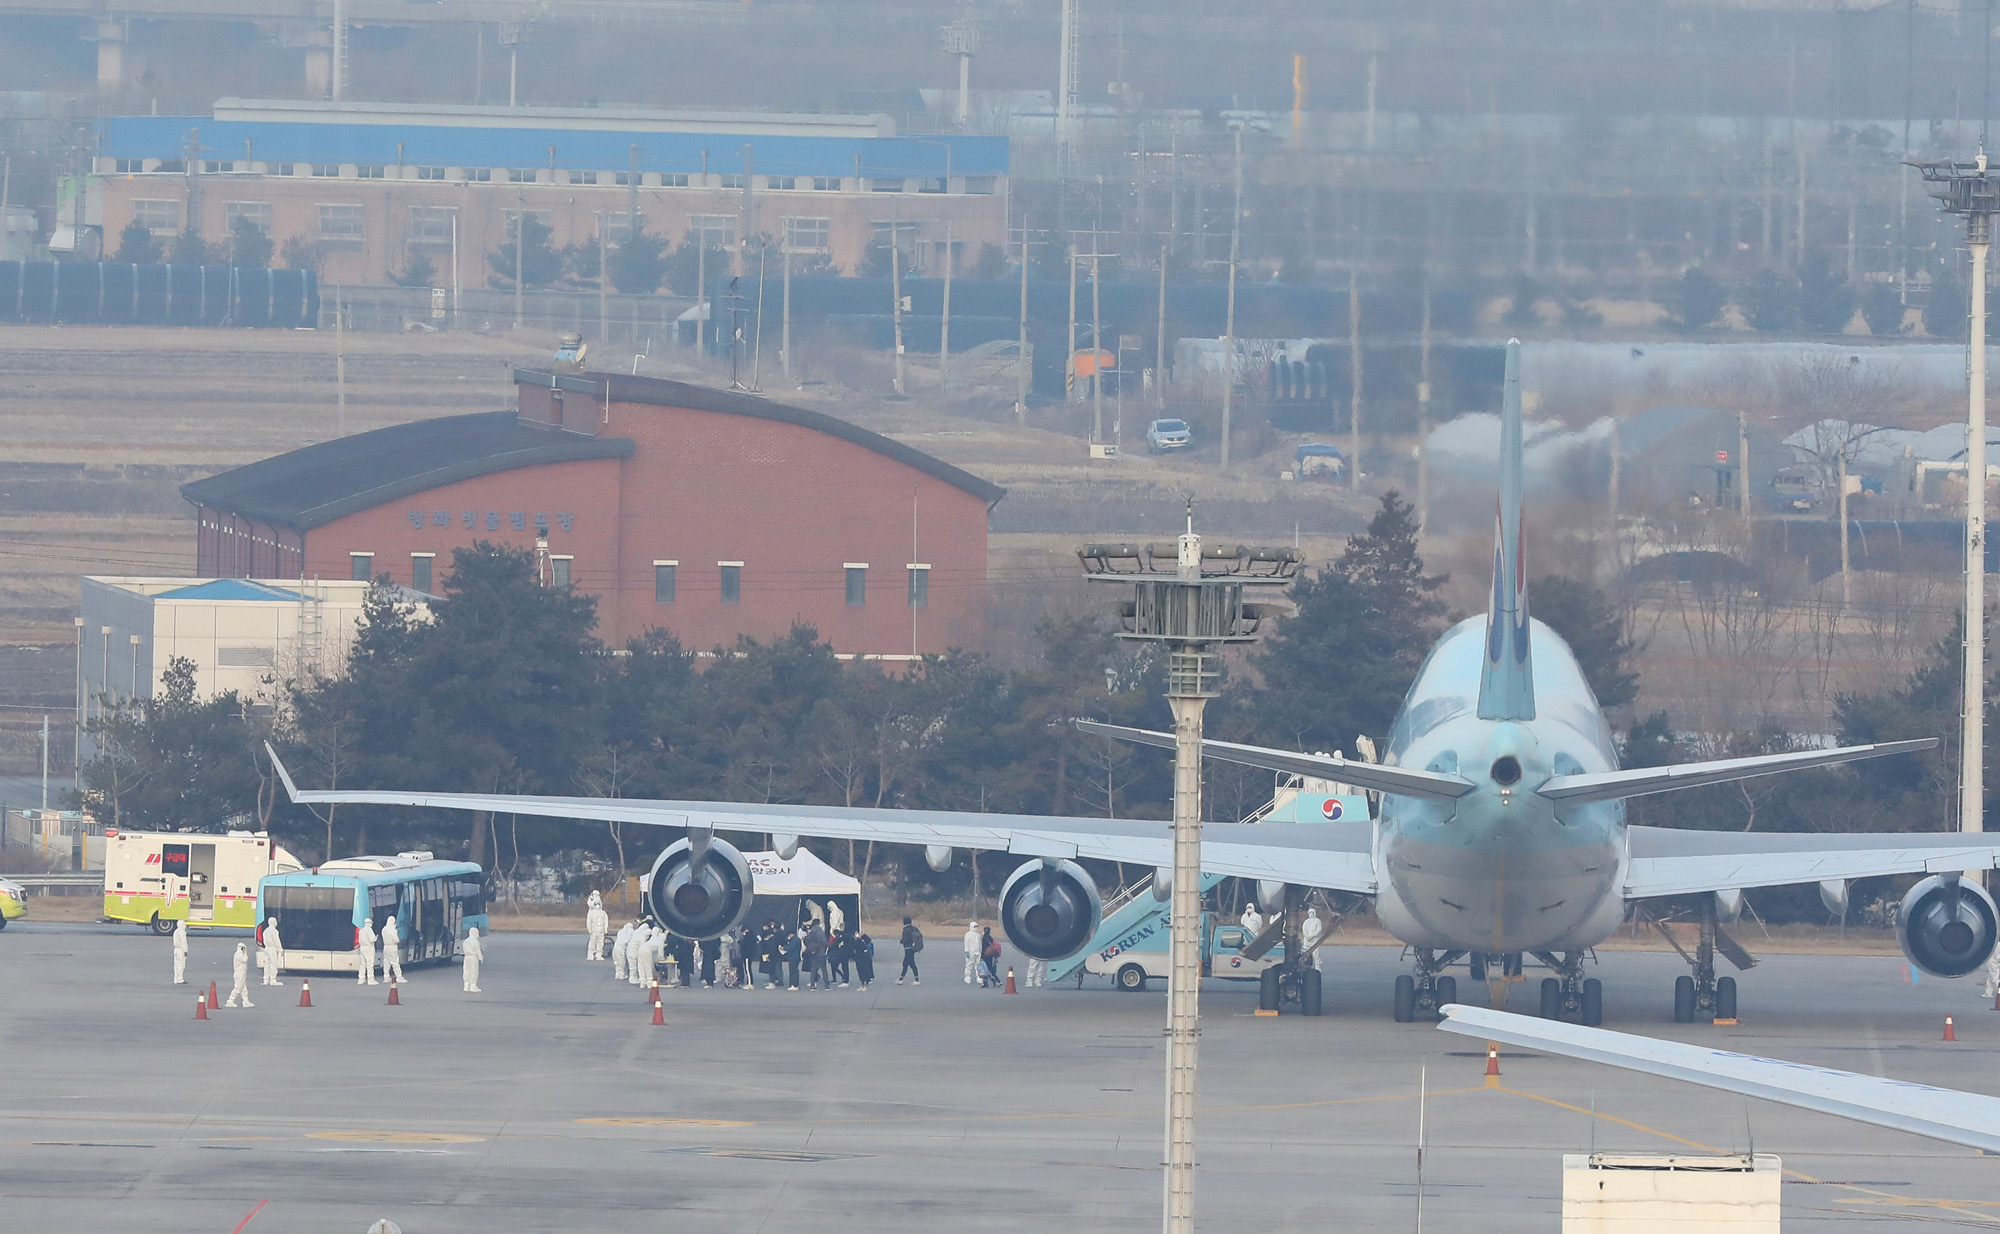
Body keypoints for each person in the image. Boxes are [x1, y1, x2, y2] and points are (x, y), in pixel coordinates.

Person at [224, 941, 254, 1008]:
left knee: (243, 988)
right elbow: (245, 960)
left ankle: (245, 1000)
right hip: (239, 972)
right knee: (238, 987)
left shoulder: (237, 954)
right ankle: (230, 1000)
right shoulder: (239, 954)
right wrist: (245, 954)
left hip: (241, 972)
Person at [803, 919, 829, 990]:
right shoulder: (820, 932)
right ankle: (826, 986)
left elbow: (805, 940)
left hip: (813, 952)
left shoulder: (810, 932)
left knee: (813, 969)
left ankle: (812, 985)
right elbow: (825, 942)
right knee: (824, 969)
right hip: (821, 952)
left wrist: (810, 948)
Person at [381, 914, 406, 985]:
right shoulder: (392, 929)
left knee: (386, 962)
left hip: (385, 947)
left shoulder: (384, 929)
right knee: (395, 962)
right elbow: (396, 940)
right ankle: (399, 976)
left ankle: (386, 976)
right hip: (392, 947)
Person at [261, 918, 286, 986]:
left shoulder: (265, 931)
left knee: (267, 964)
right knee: (273, 963)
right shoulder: (274, 931)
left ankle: (266, 979)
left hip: (266, 948)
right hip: (272, 948)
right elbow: (276, 941)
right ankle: (273, 979)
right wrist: (280, 949)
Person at [898, 917, 923, 985]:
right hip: (913, 948)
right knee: (907, 963)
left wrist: (901, 941)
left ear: (904, 922)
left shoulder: (906, 930)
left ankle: (916, 980)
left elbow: (905, 939)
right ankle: (901, 979)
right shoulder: (915, 928)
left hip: (908, 948)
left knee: (909, 964)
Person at [585, 891, 609, 962]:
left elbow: (606, 920)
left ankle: (599, 954)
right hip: (594, 929)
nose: (598, 905)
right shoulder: (591, 912)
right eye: (596, 904)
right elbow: (589, 921)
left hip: (601, 929)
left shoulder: (603, 913)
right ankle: (590, 954)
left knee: (600, 942)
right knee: (592, 941)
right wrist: (589, 928)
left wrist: (605, 928)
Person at [356, 916, 379, 986]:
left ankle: (361, 979)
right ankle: (371, 979)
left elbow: (359, 940)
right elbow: (372, 939)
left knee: (362, 964)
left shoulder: (361, 930)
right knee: (370, 964)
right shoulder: (369, 930)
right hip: (369, 948)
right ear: (370, 923)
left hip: (362, 948)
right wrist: (376, 937)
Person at [461, 926, 484, 993]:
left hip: (466, 957)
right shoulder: (475, 941)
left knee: (466, 971)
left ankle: (466, 986)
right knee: (474, 971)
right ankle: (473, 986)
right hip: (473, 957)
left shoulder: (466, 940)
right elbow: (477, 950)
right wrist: (481, 958)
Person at [1301, 906, 1325, 971]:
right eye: (1310, 913)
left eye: (1312, 912)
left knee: (1316, 953)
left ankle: (1317, 967)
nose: (1311, 914)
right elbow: (1304, 929)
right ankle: (1306, 966)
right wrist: (1307, 936)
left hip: (1315, 941)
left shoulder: (1318, 921)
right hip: (1307, 940)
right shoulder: (1306, 921)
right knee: (1305, 953)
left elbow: (1318, 929)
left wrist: (1313, 935)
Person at [171, 918, 188, 985]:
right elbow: (184, 942)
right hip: (181, 950)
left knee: (176, 964)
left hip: (176, 949)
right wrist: (185, 951)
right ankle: (180, 979)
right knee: (181, 965)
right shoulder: (182, 932)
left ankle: (176, 979)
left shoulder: (176, 931)